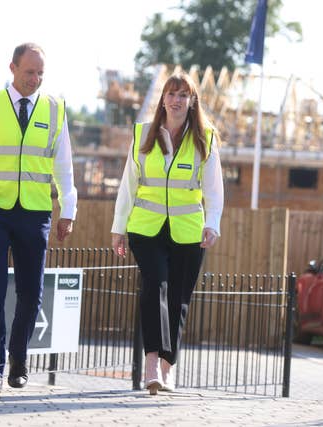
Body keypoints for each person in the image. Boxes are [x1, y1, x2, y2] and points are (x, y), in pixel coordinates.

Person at [0, 43, 77, 394]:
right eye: (29, 72)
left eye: (40, 74)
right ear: (12, 68)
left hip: (35, 212)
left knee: (31, 293)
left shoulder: (56, 110)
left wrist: (69, 210)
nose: (35, 79)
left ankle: (18, 362)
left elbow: (64, 166)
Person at [111, 72, 223, 395]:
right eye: (171, 94)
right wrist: (119, 228)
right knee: (154, 286)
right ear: (163, 99)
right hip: (146, 229)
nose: (176, 100)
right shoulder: (143, 134)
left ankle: (167, 368)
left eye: (183, 95)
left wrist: (211, 222)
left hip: (188, 231)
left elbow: (214, 189)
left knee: (178, 299)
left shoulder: (205, 138)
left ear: (191, 102)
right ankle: (150, 364)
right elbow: (128, 184)